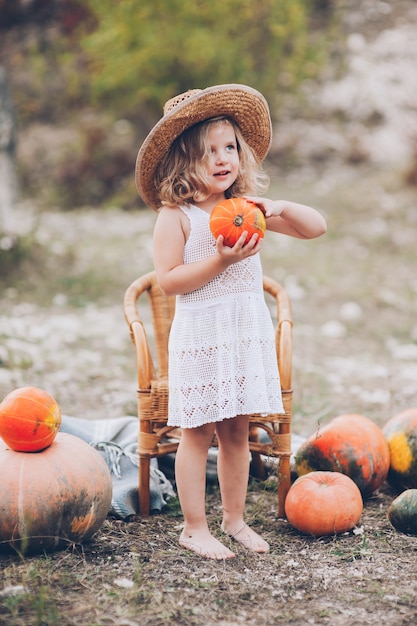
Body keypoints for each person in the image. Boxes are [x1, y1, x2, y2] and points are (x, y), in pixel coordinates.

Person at [135, 84, 327, 560]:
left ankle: (235, 519)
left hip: (242, 332)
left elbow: (316, 227)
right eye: (208, 152)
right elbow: (171, 280)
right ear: (183, 160)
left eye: (230, 148)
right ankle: (194, 527)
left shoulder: (247, 211)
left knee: (238, 431)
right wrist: (219, 261)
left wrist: (277, 208)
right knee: (199, 433)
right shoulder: (175, 216)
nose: (222, 159)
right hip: (202, 337)